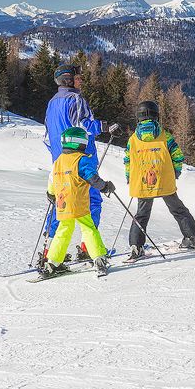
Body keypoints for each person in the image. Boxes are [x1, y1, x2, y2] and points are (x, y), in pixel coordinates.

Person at [43, 64, 117, 261]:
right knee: (91, 201)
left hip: (59, 162)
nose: (81, 80)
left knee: (61, 204)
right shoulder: (75, 99)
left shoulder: (52, 103)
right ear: (68, 79)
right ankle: (87, 249)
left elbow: (47, 134)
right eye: (78, 77)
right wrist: (104, 126)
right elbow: (83, 125)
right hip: (81, 158)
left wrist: (56, 156)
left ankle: (49, 250)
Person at [125, 101, 195, 261]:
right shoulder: (164, 136)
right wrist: (175, 172)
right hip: (164, 180)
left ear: (138, 118)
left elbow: (128, 160)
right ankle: (192, 237)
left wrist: (129, 177)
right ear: (156, 116)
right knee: (178, 209)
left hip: (142, 182)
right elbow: (178, 155)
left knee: (141, 215)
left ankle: (136, 246)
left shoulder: (132, 140)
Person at [38, 127, 116, 280]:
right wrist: (104, 186)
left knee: (64, 230)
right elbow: (91, 176)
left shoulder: (58, 161)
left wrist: (51, 194)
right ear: (81, 143)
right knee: (88, 228)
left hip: (62, 203)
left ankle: (52, 263)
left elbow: (52, 179)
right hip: (78, 203)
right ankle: (99, 258)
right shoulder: (81, 159)